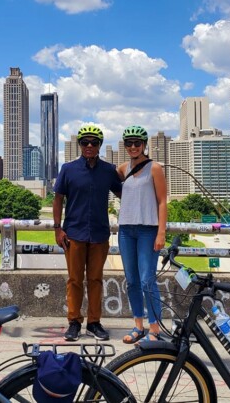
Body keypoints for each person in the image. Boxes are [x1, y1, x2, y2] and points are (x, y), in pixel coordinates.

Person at [53, 123, 123, 342]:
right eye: (85, 142)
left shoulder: (108, 170)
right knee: (74, 280)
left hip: (100, 234)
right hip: (73, 233)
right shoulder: (68, 169)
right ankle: (74, 322)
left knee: (95, 279)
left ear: (100, 145)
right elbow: (58, 199)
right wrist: (57, 229)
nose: (89, 146)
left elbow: (126, 194)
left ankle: (94, 322)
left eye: (94, 142)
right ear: (79, 145)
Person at [116, 125, 168, 343]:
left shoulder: (154, 168)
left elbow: (163, 200)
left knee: (147, 280)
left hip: (148, 229)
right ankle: (138, 325)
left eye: (137, 143)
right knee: (132, 281)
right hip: (126, 229)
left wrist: (161, 232)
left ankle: (154, 328)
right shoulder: (122, 169)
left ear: (144, 145)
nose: (133, 147)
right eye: (129, 143)